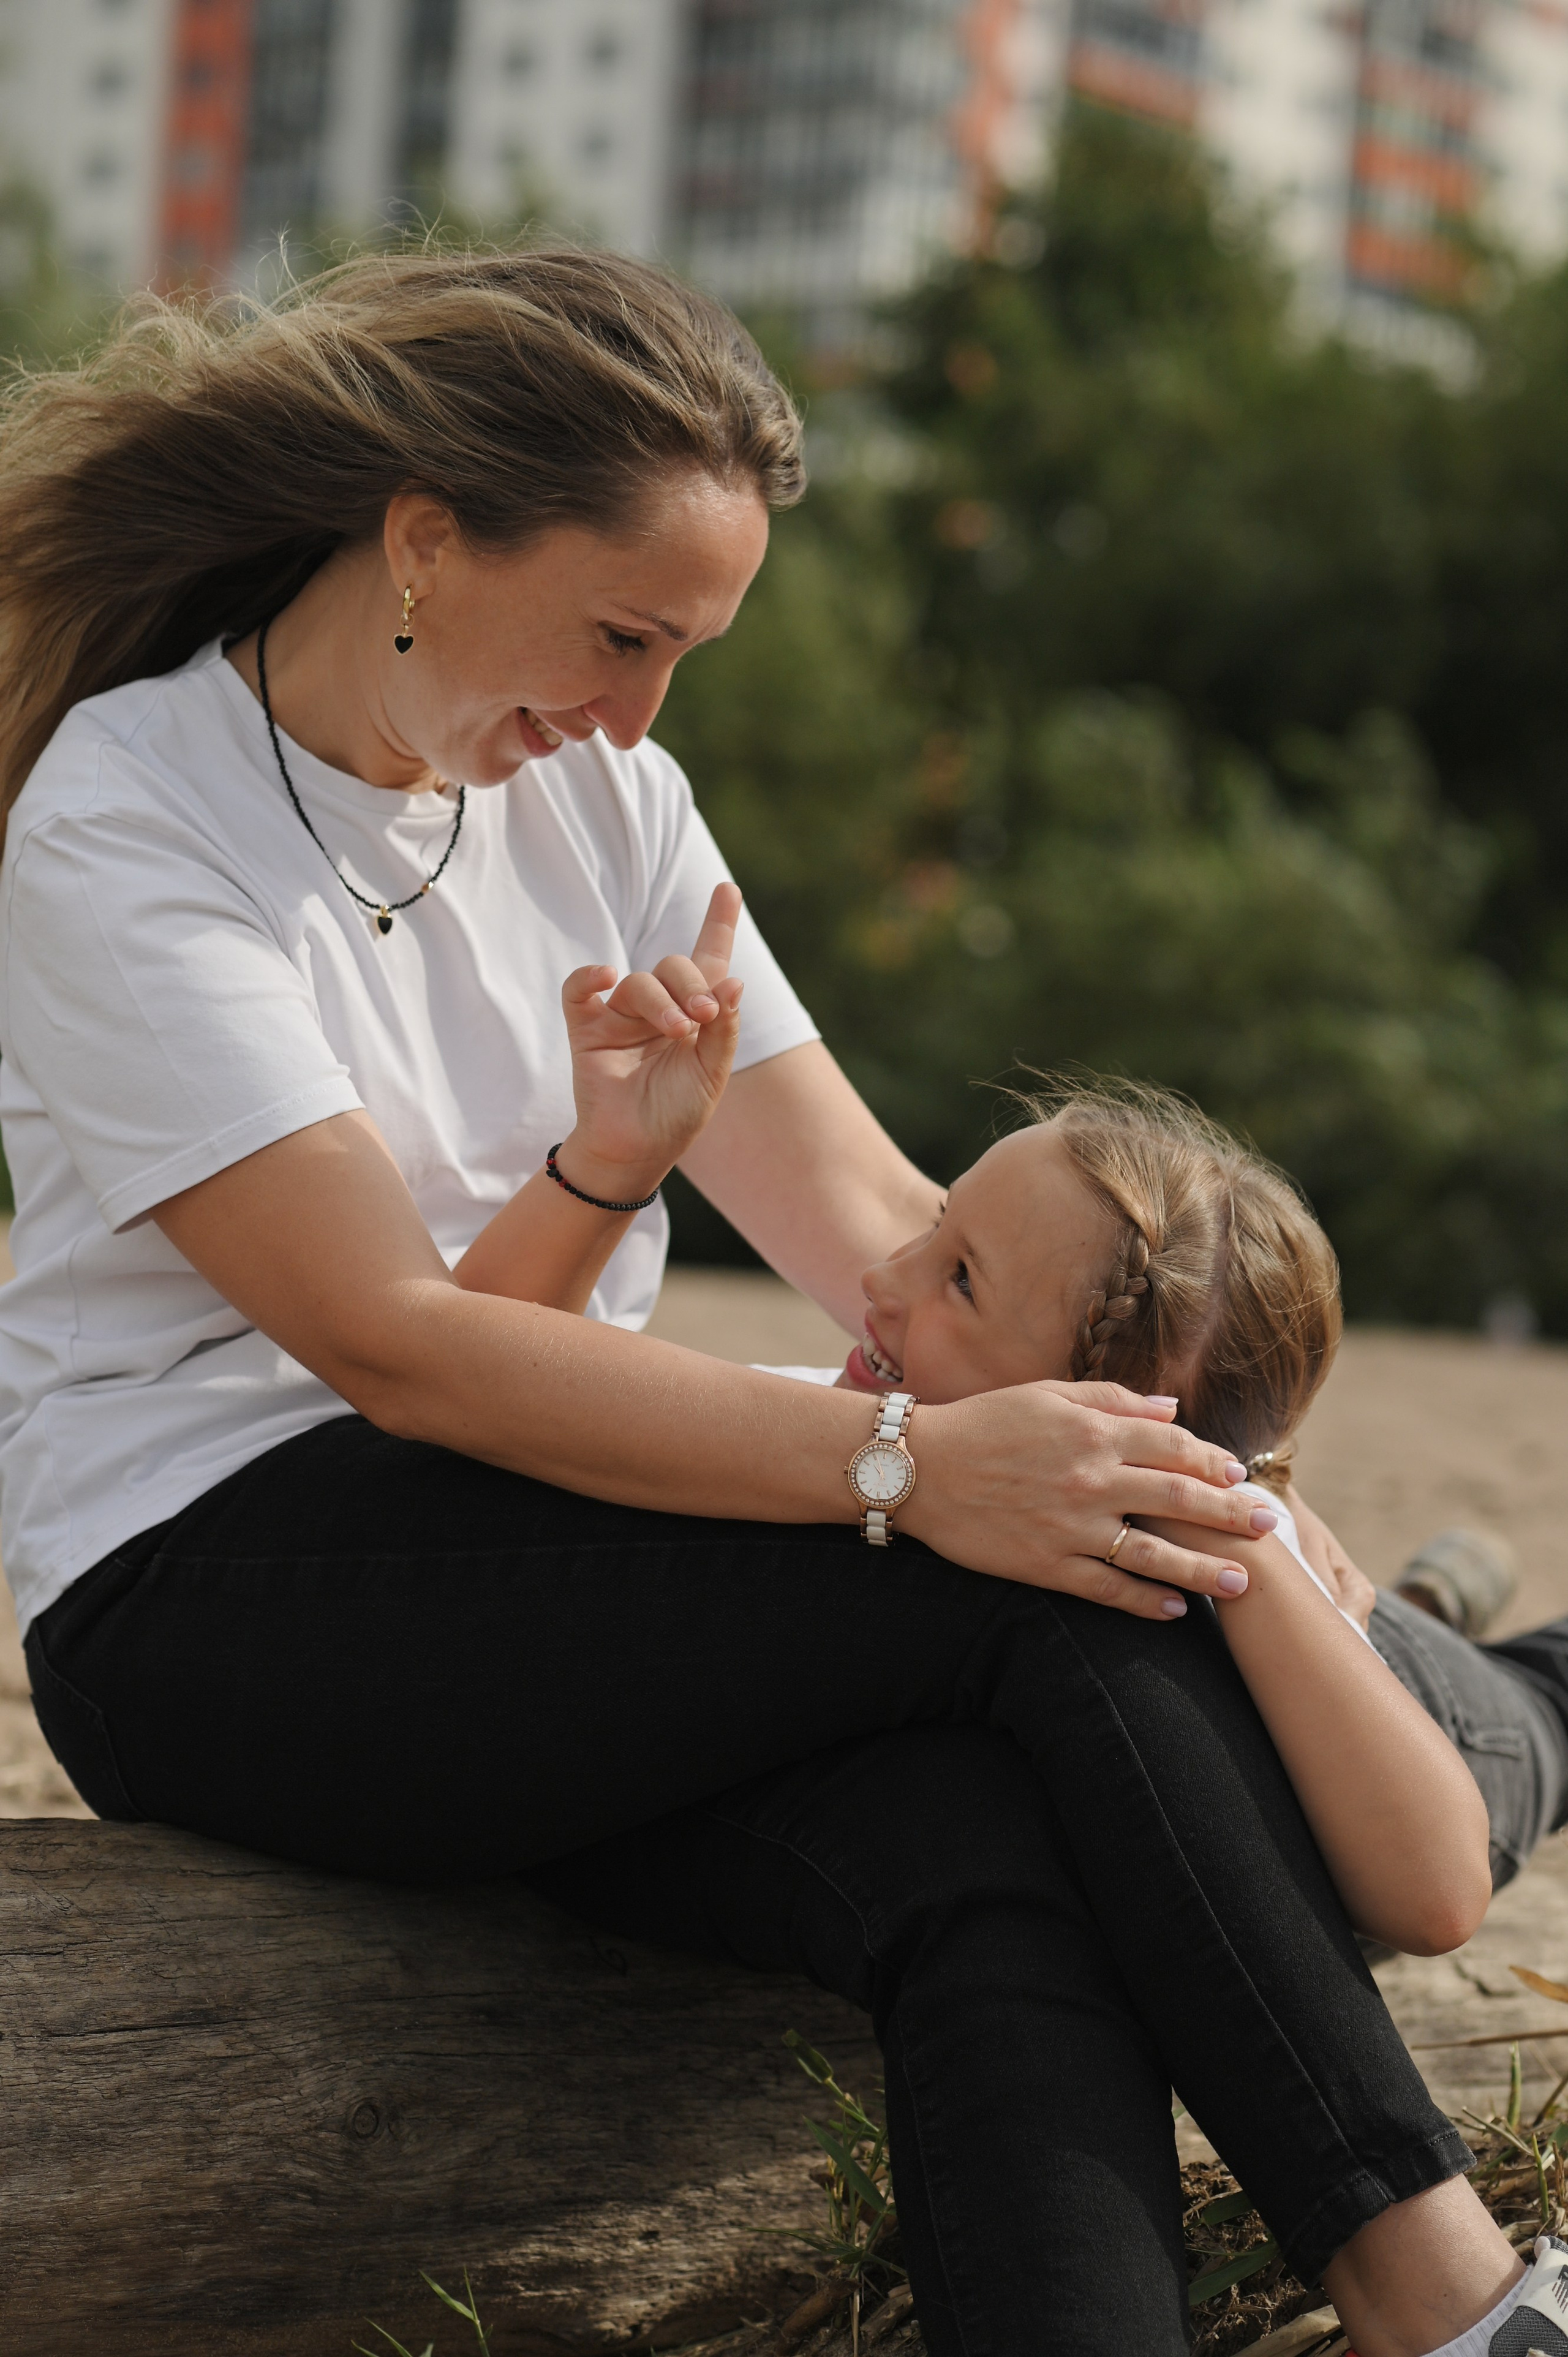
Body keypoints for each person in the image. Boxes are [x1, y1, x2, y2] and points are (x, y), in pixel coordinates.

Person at [0, 243, 1548, 2356]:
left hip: (554, 1570)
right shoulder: (129, 821)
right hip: (211, 1599)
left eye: (689, 655)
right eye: (625, 633)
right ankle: (1445, 2292)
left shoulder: (607, 793)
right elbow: (396, 1346)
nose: (639, 717)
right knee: (1013, 1579)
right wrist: (927, 1467)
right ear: (425, 543)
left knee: (981, 1847)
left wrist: (1181, 1469)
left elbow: (879, 1224)